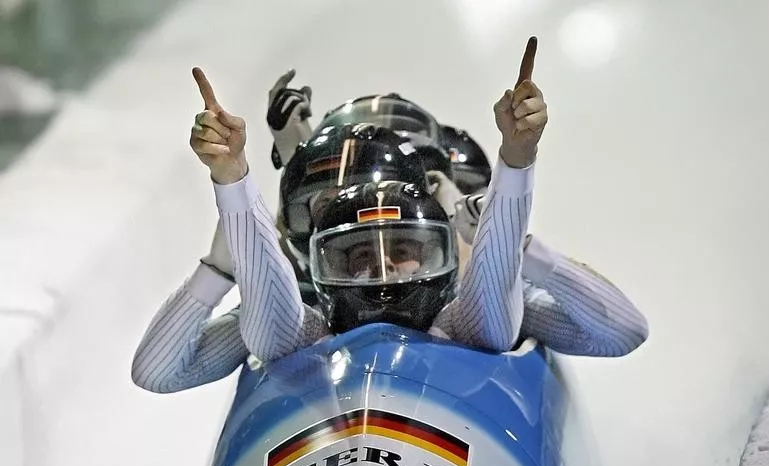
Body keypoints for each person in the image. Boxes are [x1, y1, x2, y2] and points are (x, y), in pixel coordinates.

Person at [132, 47, 544, 392]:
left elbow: (503, 276)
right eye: (358, 250)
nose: (381, 269)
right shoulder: (296, 323)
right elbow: (158, 371)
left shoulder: (471, 311)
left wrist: (517, 163)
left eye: (400, 246)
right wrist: (226, 235)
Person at [266, 71, 649, 359]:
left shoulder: (475, 303)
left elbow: (621, 332)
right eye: (323, 201)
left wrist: (511, 241)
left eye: (400, 246)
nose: (382, 265)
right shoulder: (298, 307)